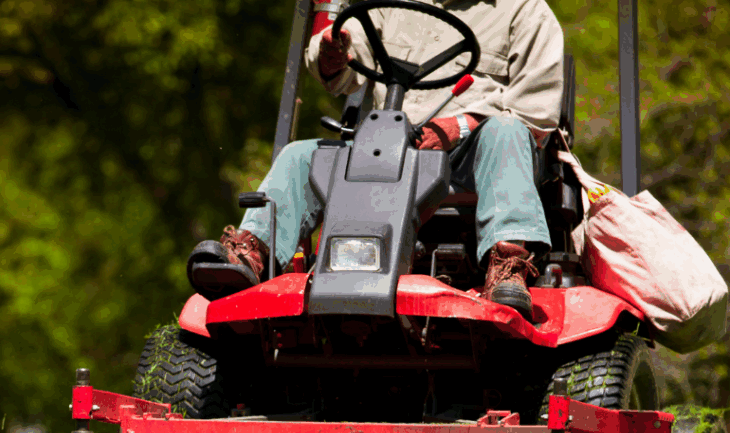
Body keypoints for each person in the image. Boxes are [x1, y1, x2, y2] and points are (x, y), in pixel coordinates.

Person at [186, 0, 565, 320]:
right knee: (301, 155)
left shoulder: (525, 10)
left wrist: (460, 126)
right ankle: (251, 255)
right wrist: (333, 53)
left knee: (507, 130)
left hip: (472, 152)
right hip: (389, 146)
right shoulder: (391, 4)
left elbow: (537, 113)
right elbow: (343, 65)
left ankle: (508, 266)